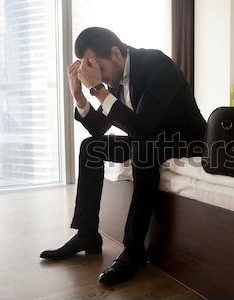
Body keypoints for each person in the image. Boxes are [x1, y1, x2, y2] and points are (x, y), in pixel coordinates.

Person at [40, 27, 206, 285]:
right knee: (90, 147)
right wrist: (79, 94)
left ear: (116, 52)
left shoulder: (156, 65)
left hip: (184, 140)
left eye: (102, 70)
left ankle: (134, 248)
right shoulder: (115, 80)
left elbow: (142, 129)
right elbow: (98, 129)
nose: (103, 79)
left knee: (143, 150)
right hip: (150, 137)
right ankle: (87, 234)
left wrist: (97, 87)